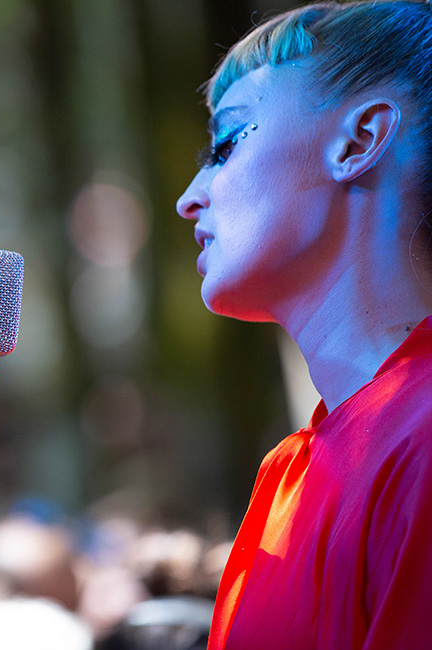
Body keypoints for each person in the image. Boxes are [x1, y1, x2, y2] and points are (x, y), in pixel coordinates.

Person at [175, 1, 432, 648]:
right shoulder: (286, 473)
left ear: (359, 141)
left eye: (225, 144)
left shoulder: (422, 432)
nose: (188, 198)